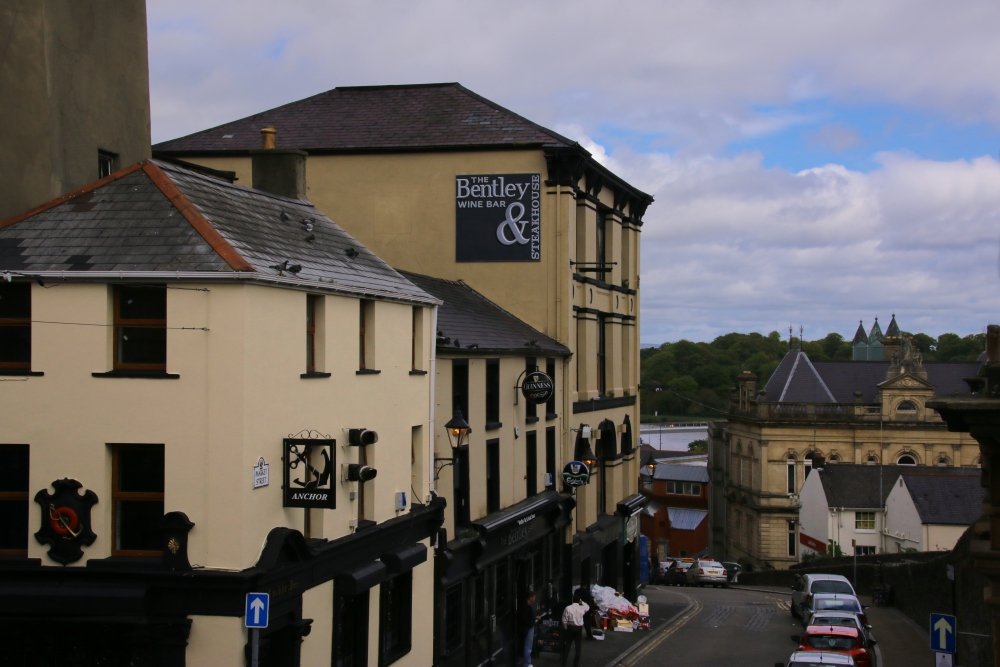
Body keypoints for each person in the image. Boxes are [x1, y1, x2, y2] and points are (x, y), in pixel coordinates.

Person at [560, 593, 589, 667]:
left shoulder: (568, 608)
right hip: (579, 628)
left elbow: (564, 620)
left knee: (568, 645)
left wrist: (566, 627)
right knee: (578, 646)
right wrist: (582, 602)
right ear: (579, 600)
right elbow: (587, 607)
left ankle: (564, 662)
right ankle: (576, 664)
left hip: (570, 627)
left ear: (572, 600)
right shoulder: (582, 608)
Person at [519, 591, 538, 666]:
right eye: (533, 597)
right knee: (528, 646)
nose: (534, 598)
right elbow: (525, 618)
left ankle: (527, 662)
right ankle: (527, 663)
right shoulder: (526, 607)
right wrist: (531, 623)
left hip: (527, 627)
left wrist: (534, 617)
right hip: (528, 628)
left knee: (527, 646)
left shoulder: (525, 606)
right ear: (530, 598)